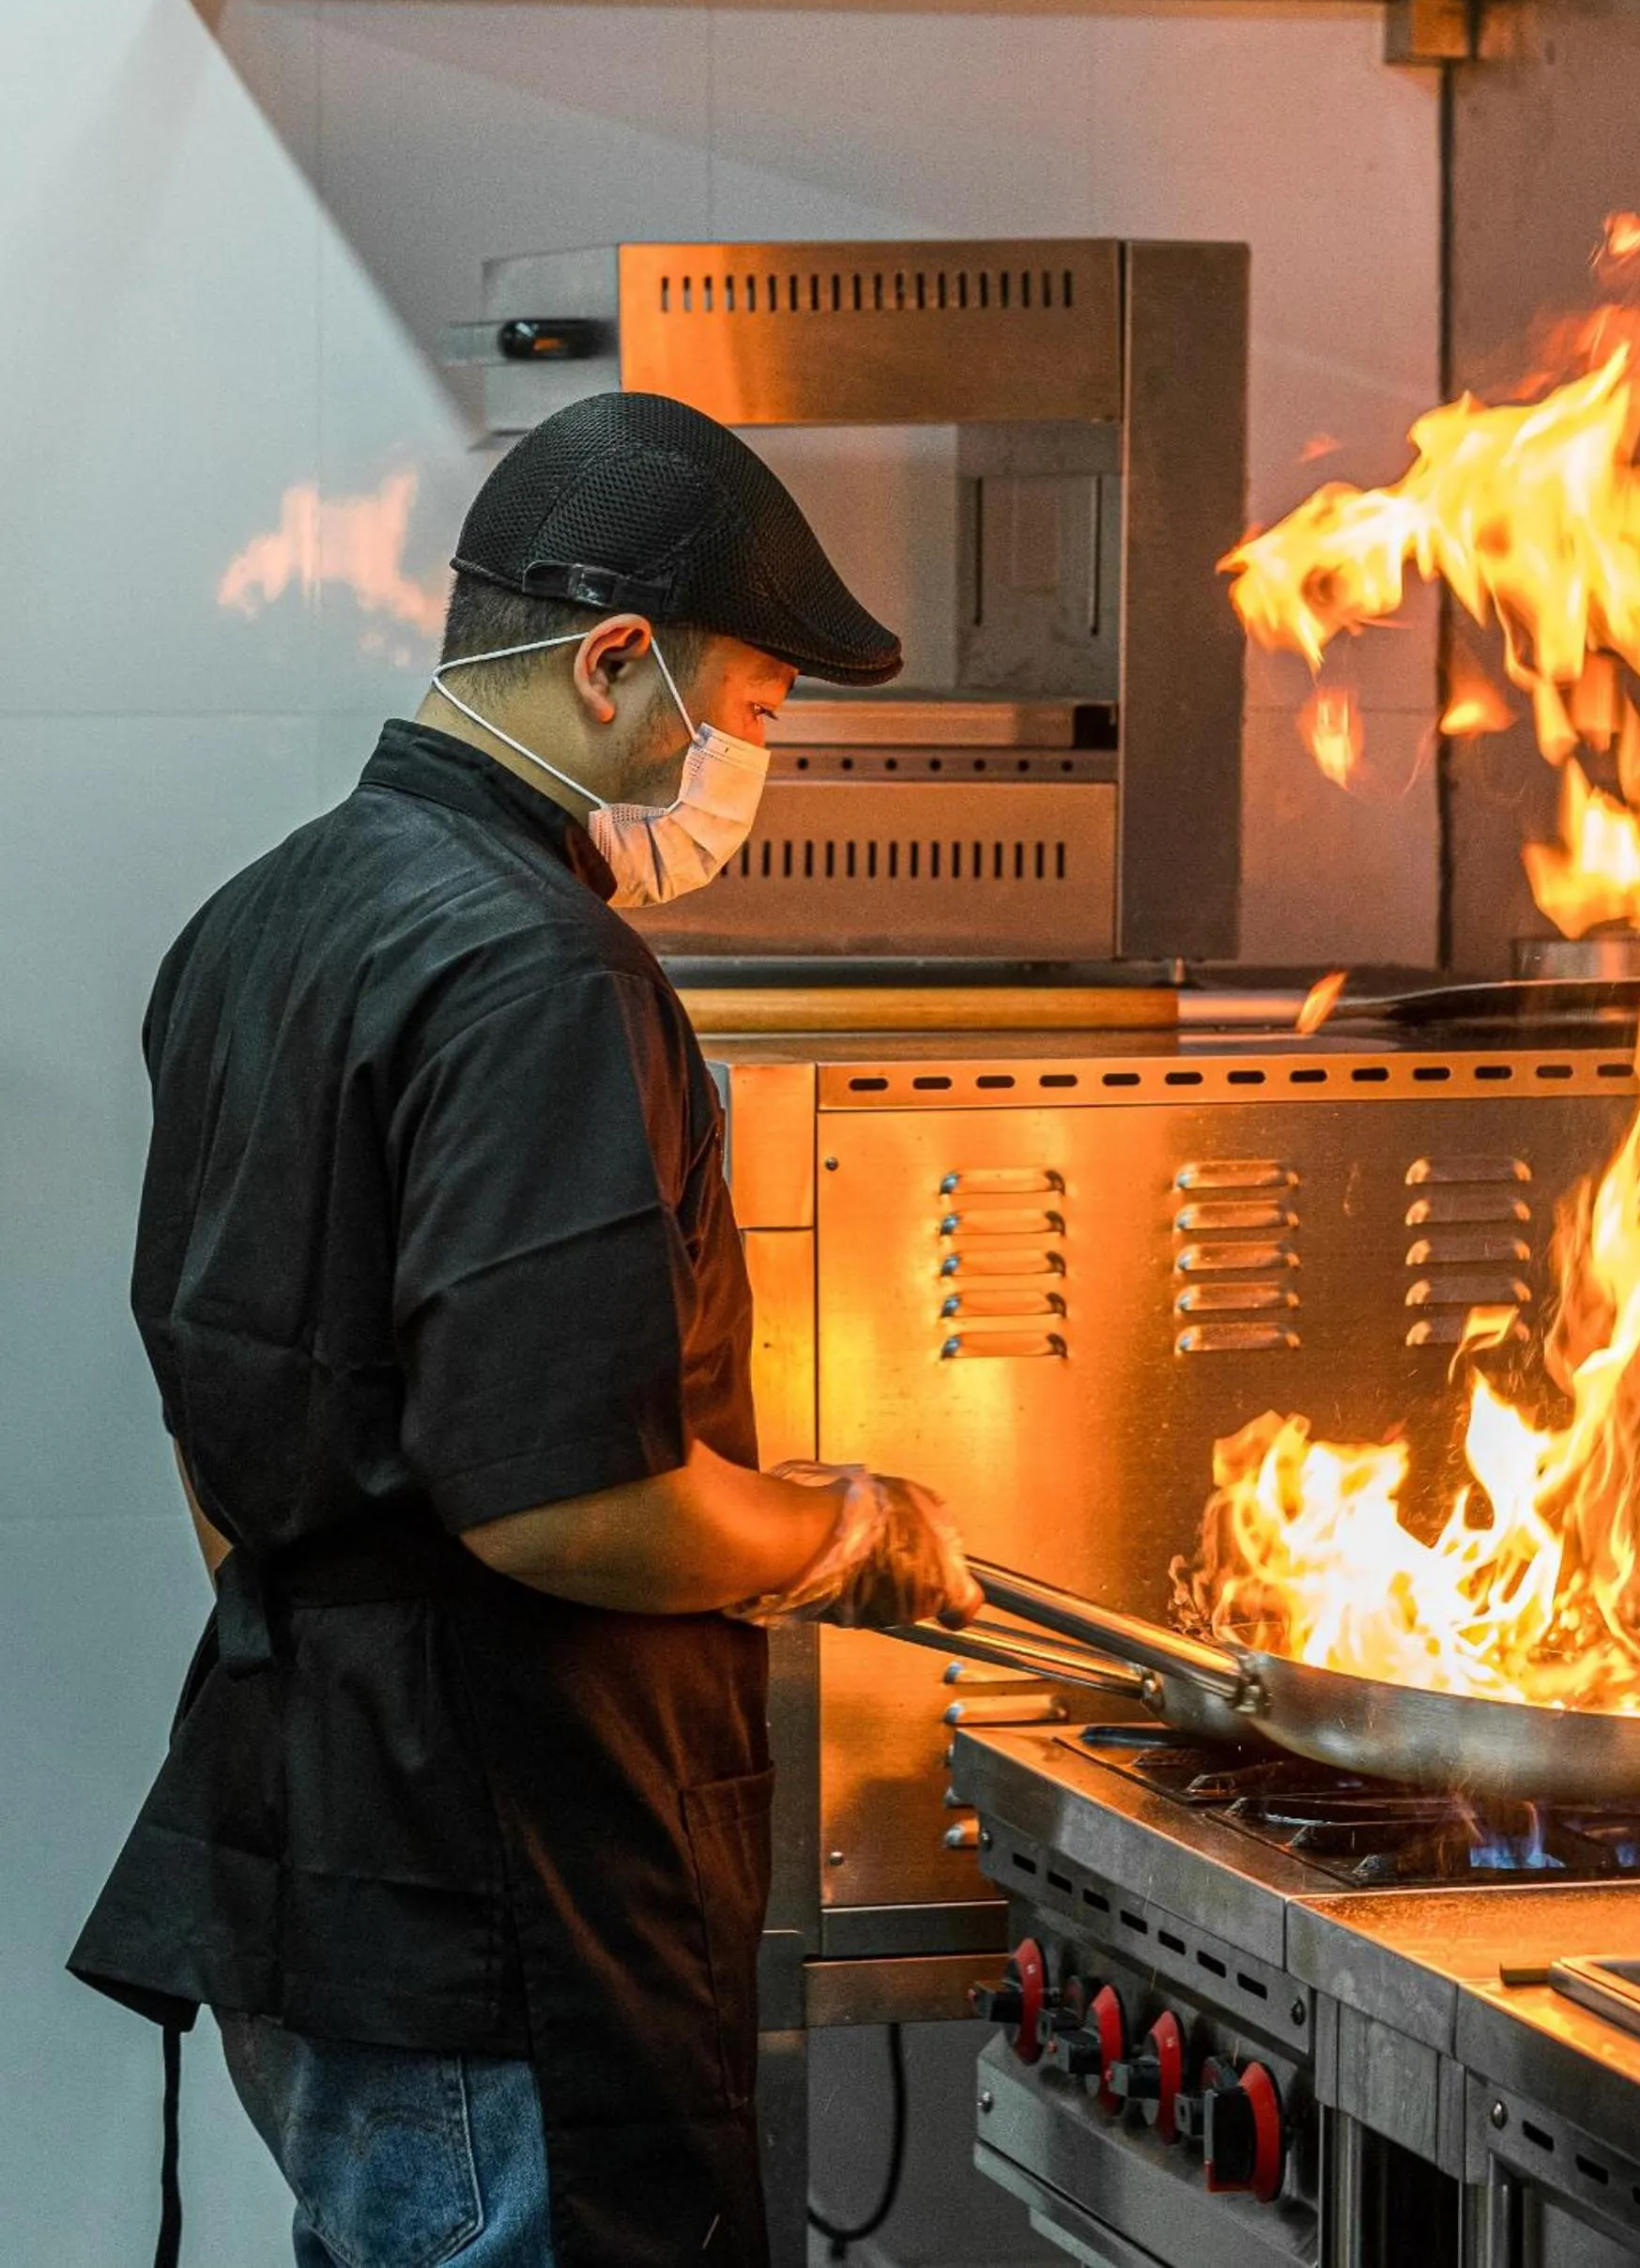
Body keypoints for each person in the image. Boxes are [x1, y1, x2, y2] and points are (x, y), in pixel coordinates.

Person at [71, 391, 981, 2268]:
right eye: (753, 713)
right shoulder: (542, 971)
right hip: (504, 1912)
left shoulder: (266, 918)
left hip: (308, 1849)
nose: (749, 766)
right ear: (618, 659)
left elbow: (220, 1427)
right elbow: (564, 1500)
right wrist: (839, 1531)